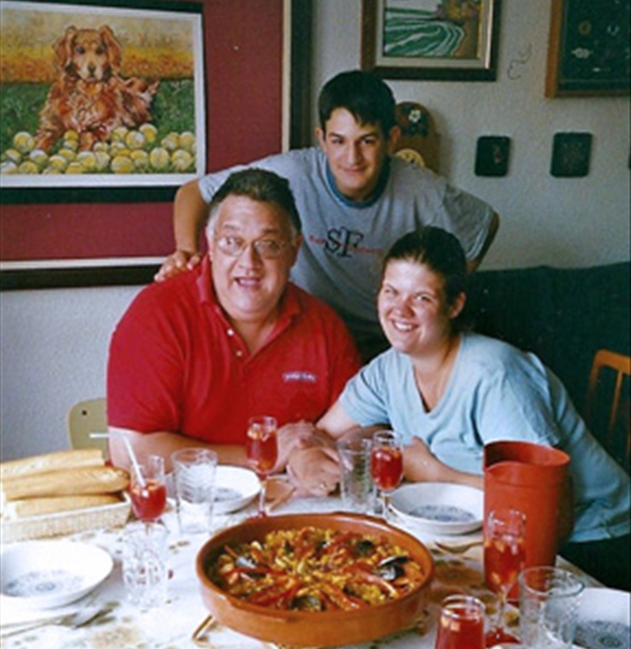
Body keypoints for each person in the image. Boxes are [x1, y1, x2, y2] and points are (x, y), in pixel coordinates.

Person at [288, 227, 631, 590]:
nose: (399, 310)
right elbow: (321, 433)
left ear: (454, 305)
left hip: (593, 542)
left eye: (421, 298)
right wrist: (304, 456)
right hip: (483, 532)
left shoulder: (496, 376)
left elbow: (549, 517)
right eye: (391, 291)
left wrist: (434, 472)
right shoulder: (389, 368)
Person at [156, 69, 500, 361]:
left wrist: (437, 292)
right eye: (338, 141)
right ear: (321, 138)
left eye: (366, 142)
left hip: (381, 346)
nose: (351, 158)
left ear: (392, 139)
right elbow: (192, 193)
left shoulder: (423, 190)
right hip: (303, 336)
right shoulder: (292, 171)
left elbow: (484, 224)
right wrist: (187, 251)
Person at [107, 168, 362, 472]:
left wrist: (317, 454)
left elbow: (359, 427)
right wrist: (259, 456)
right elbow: (131, 452)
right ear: (211, 245)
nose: (248, 263)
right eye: (232, 242)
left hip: (290, 508)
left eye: (267, 245)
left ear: (293, 251)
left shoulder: (325, 327)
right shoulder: (157, 315)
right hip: (183, 507)